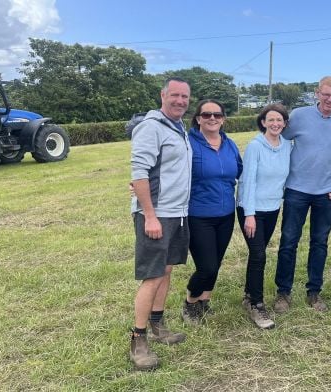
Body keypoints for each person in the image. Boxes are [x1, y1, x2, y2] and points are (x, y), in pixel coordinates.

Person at [273, 76, 331, 313]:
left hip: (327, 193)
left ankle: (314, 292)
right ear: (317, 93)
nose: (330, 99)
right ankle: (283, 293)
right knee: (289, 242)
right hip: (296, 190)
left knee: (319, 243)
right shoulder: (299, 116)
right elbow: (278, 138)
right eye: (326, 94)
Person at [129, 77, 192, 370]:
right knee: (152, 276)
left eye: (185, 97)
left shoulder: (180, 129)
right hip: (156, 214)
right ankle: (138, 339)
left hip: (177, 213)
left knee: (165, 272)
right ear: (163, 95)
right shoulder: (151, 127)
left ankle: (158, 325)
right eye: (175, 95)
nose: (180, 101)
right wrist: (150, 215)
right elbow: (139, 172)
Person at [181, 99, 243, 326]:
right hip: (198, 215)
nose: (212, 119)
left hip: (226, 214)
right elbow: (168, 168)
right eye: (206, 115)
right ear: (198, 119)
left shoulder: (230, 144)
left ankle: (204, 301)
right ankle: (190, 302)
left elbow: (241, 172)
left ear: (223, 119)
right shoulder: (188, 143)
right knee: (206, 266)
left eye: (217, 115)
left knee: (215, 263)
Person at [236, 104, 291, 329]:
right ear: (263, 122)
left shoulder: (288, 146)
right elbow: (247, 181)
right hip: (252, 209)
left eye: (279, 120)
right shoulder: (255, 147)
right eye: (271, 120)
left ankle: (248, 295)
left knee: (257, 254)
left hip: (272, 208)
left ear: (285, 124)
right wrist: (249, 214)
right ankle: (257, 305)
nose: (275, 123)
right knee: (259, 255)